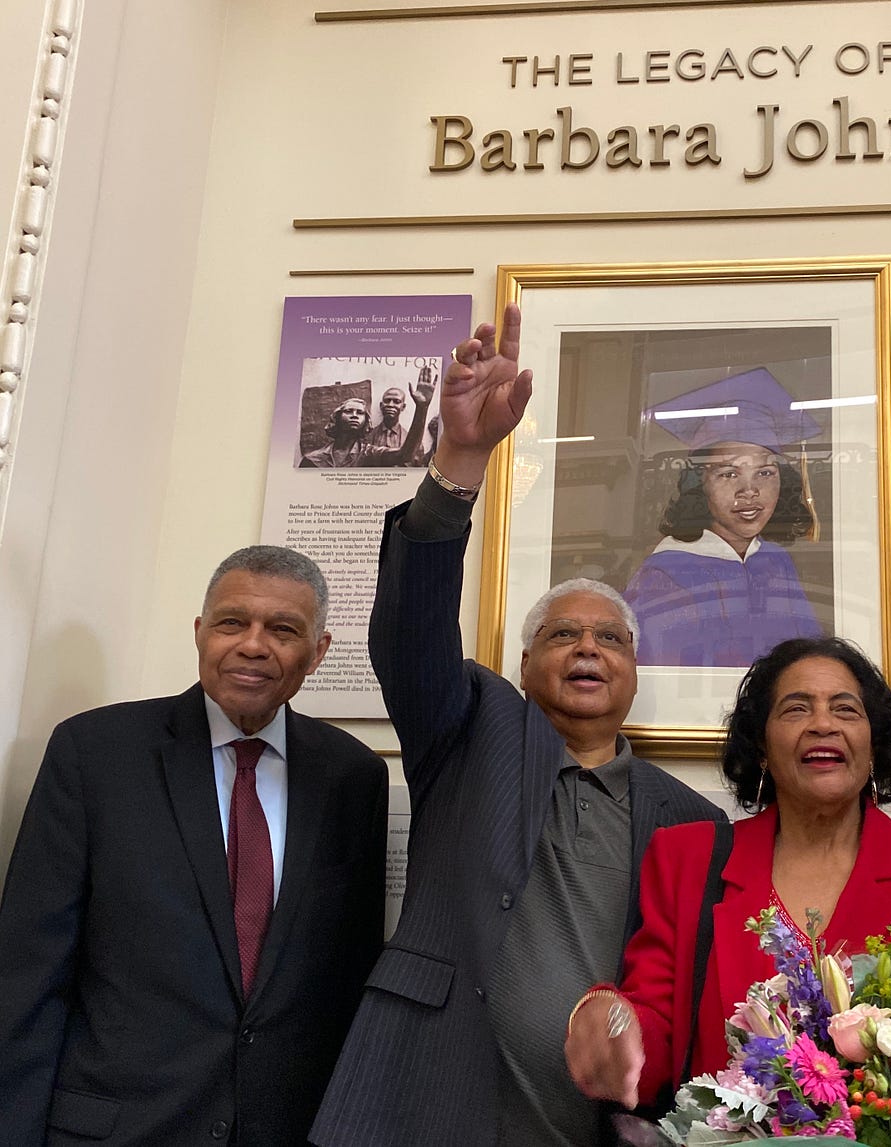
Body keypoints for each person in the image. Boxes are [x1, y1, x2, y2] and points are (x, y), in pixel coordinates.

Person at [309, 305, 725, 1147]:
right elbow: (411, 632)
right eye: (561, 635)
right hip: (426, 1105)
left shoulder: (693, 821)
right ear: (525, 665)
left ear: (633, 674)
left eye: (610, 637)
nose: (587, 649)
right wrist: (461, 460)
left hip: (598, 1130)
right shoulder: (469, 731)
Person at [564, 636, 891, 1133]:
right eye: (796, 709)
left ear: (873, 745)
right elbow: (655, 1030)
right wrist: (617, 1034)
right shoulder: (687, 859)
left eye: (846, 709)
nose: (823, 723)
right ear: (762, 747)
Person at [0, 546, 387, 1146]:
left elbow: (348, 972)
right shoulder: (96, 753)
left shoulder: (354, 777)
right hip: (118, 1129)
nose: (253, 645)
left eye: (283, 630)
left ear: (318, 654)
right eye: (233, 622)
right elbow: (27, 972)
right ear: (200, 633)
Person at [623, 368, 823, 667]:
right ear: (698, 483)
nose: (750, 491)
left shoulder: (777, 562)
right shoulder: (665, 571)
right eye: (729, 473)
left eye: (765, 472)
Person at [300, 366, 435, 468]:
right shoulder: (312, 459)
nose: (354, 415)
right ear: (337, 418)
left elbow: (405, 455)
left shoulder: (369, 454)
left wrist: (422, 408)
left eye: (360, 413)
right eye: (349, 411)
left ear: (366, 422)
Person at [364, 386, 409, 451]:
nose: (390, 405)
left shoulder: (408, 438)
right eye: (387, 401)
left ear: (403, 407)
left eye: (397, 401)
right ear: (381, 405)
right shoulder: (369, 436)